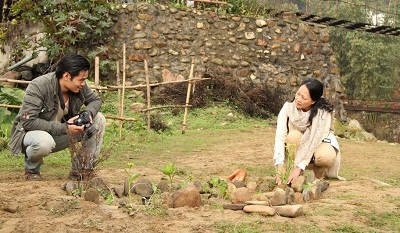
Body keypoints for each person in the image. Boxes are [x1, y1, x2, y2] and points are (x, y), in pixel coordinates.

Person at [8, 53, 106, 181]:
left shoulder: (78, 86)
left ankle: (82, 169)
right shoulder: (39, 86)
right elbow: (28, 122)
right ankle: (32, 170)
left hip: (60, 133)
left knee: (99, 119)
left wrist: (87, 113)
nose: (83, 83)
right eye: (81, 79)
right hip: (32, 136)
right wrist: (65, 128)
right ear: (66, 76)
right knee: (44, 141)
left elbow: (95, 100)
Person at [273, 78, 343, 185]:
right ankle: (297, 177)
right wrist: (279, 165)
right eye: (298, 94)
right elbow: (280, 137)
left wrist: (300, 167)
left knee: (326, 156)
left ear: (313, 101)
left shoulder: (322, 114)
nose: (298, 99)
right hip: (298, 143)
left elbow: (313, 141)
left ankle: (317, 176)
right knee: (293, 136)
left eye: (303, 98)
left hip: (319, 143)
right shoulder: (288, 107)